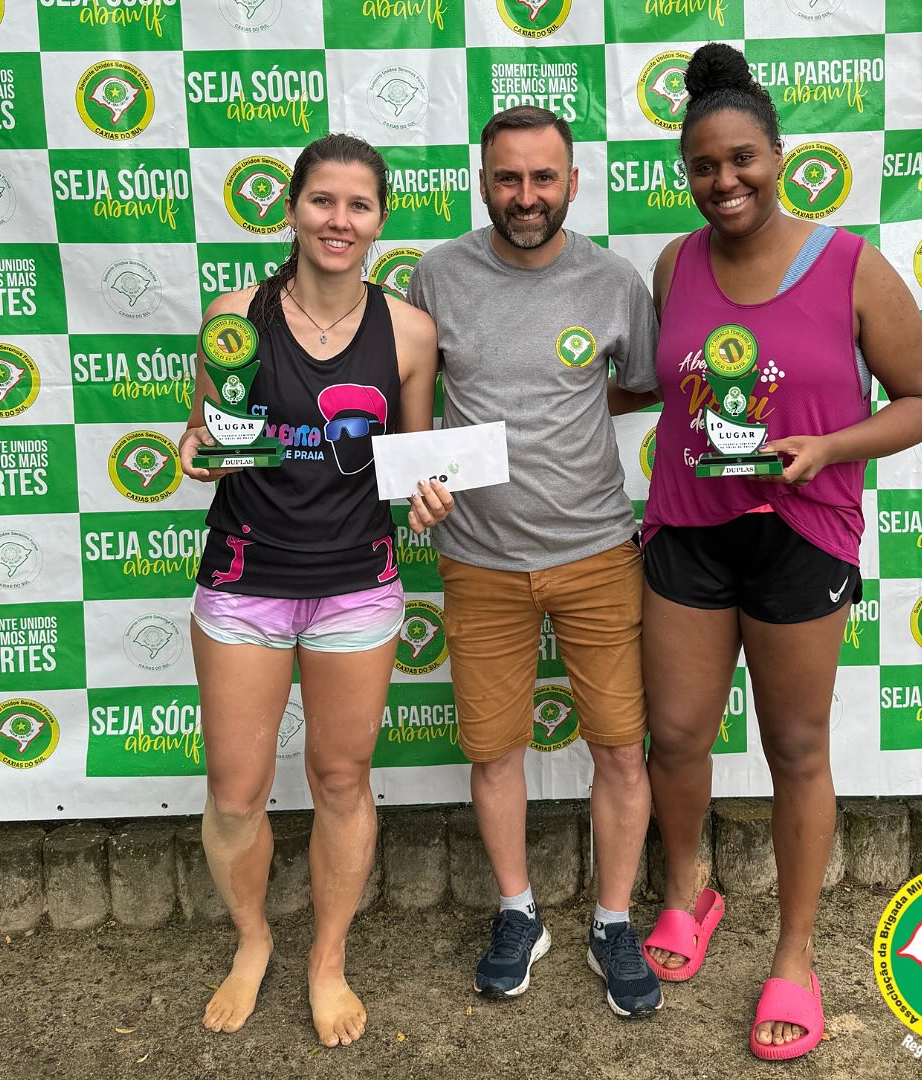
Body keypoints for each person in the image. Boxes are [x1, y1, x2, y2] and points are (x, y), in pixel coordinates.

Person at [638, 44, 922, 1060]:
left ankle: (797, 955)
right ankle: (690, 891)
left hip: (801, 535)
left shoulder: (853, 264)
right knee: (677, 739)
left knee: (797, 750)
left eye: (741, 160)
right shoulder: (672, 264)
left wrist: (827, 448)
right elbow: (656, 385)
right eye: (703, 167)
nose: (723, 182)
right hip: (688, 526)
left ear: (779, 156)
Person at [178, 134, 452, 1048]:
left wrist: (426, 498)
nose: (340, 221)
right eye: (322, 201)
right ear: (291, 208)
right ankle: (253, 941)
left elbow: (410, 463)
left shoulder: (408, 331)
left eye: (359, 205)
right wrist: (197, 455)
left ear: (381, 220)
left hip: (356, 586)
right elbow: (197, 443)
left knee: (342, 780)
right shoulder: (234, 314)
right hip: (245, 581)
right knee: (235, 794)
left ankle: (326, 957)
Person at [405, 106, 663, 1018]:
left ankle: (613, 921)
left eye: (542, 179)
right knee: (492, 750)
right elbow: (412, 395)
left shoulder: (613, 280)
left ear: (572, 184)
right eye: (508, 178)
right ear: (482, 180)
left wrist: (580, 398)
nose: (526, 197)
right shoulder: (437, 274)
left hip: (598, 552)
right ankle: (518, 912)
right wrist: (418, 472)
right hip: (476, 557)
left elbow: (646, 378)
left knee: (622, 750)